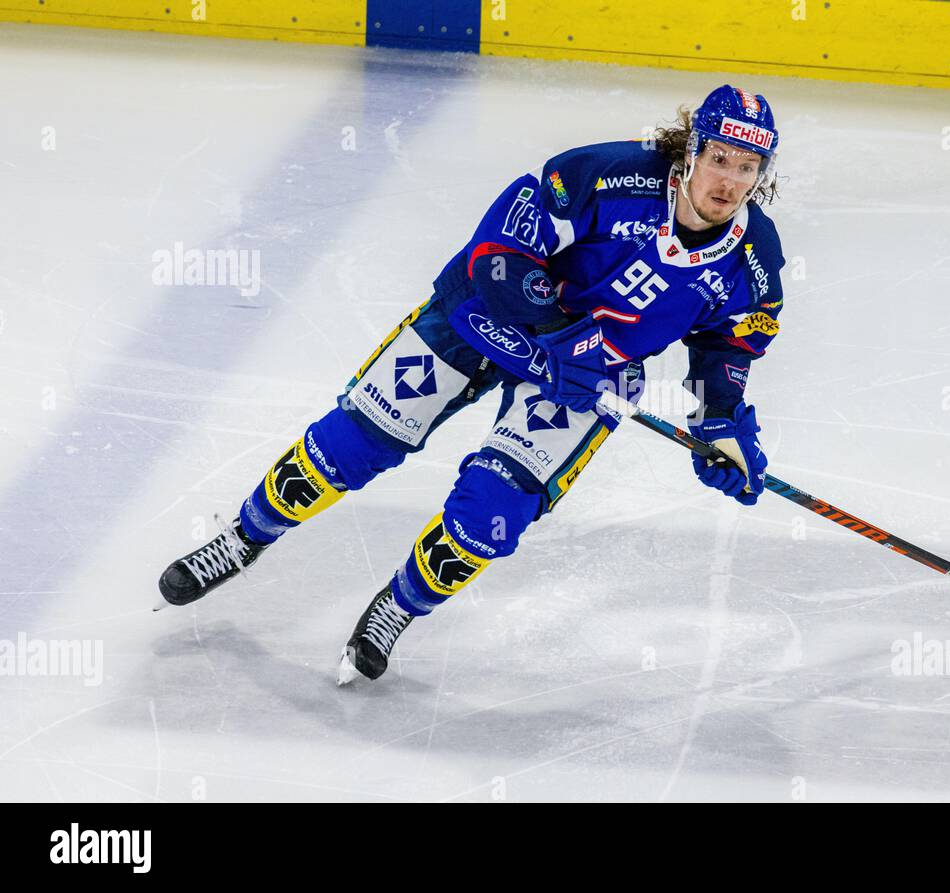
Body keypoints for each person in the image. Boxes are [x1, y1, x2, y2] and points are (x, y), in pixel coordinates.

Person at [157, 85, 788, 685]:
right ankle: (242, 539)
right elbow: (497, 256)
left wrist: (721, 421)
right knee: (356, 441)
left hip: (590, 375)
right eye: (719, 158)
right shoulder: (604, 176)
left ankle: (398, 609)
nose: (729, 180)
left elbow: (727, 344)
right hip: (486, 318)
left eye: (747, 166)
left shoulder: (755, 258)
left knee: (492, 512)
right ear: (690, 150)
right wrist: (552, 331)